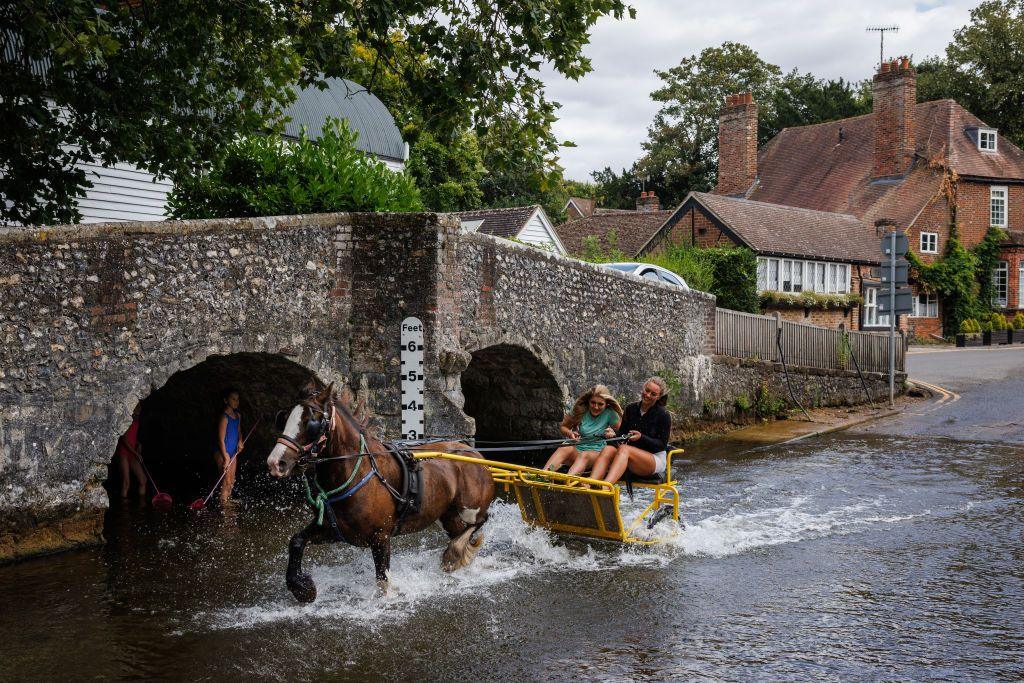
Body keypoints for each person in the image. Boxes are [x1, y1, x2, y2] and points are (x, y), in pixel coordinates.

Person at [590, 377, 671, 484]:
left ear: (659, 397)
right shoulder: (630, 408)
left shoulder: (663, 415)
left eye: (653, 394)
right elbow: (623, 434)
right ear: (643, 388)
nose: (648, 395)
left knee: (624, 449)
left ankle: (606, 486)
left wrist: (641, 437)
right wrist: (613, 435)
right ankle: (591, 483)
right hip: (630, 455)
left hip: (654, 459)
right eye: (647, 390)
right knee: (608, 449)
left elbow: (662, 445)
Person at [542, 385, 622, 476]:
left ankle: (568, 480)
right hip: (578, 448)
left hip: (597, 453)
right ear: (588, 401)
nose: (596, 407)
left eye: (600, 404)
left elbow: (623, 433)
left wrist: (614, 433)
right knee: (564, 447)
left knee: (584, 455)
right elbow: (563, 427)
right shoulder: (580, 409)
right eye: (593, 403)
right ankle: (544, 475)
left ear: (606, 404)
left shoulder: (610, 413)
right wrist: (570, 433)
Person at [215, 387, 245, 503]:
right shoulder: (224, 417)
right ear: (225, 401)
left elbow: (239, 431)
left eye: (237, 399)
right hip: (222, 452)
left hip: (233, 452)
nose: (236, 402)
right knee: (225, 480)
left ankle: (228, 500)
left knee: (232, 480)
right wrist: (225, 456)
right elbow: (220, 440)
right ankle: (224, 506)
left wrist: (240, 441)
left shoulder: (238, 415)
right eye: (233, 399)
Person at [115, 403, 147, 498]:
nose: (140, 408)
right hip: (124, 452)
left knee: (143, 480)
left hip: (132, 452)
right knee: (126, 483)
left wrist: (138, 443)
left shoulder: (136, 420)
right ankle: (124, 509)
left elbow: (131, 436)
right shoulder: (127, 420)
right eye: (138, 406)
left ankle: (142, 506)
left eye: (140, 406)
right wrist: (136, 453)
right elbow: (124, 439)